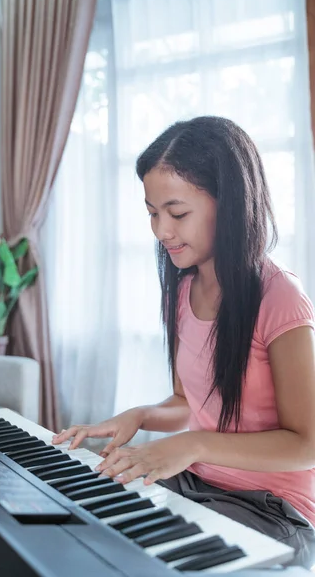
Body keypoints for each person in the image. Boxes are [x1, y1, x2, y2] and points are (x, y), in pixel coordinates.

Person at [53, 116, 315, 567]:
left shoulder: (280, 298)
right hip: (197, 482)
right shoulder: (180, 288)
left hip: (274, 507)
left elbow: (306, 443)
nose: (161, 231)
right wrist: (139, 415)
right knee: (81, 530)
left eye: (177, 213)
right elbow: (185, 401)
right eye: (153, 213)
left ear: (229, 204)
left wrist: (192, 445)